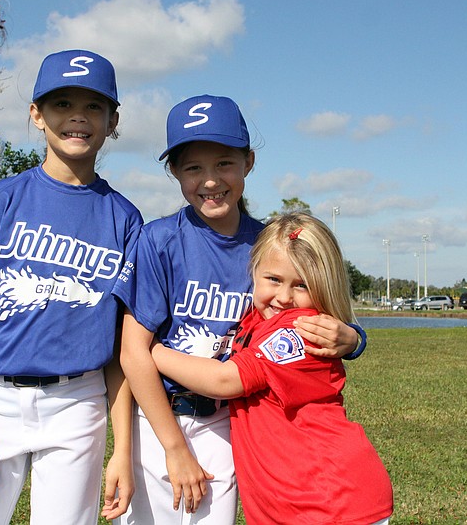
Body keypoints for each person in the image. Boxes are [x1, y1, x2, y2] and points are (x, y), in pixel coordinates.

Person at [112, 95, 366, 524]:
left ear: (248, 162)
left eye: (225, 163)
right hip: (157, 418)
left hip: (227, 420)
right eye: (193, 167)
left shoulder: (272, 245)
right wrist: (174, 447)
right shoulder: (158, 240)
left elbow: (317, 312)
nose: (210, 180)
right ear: (174, 171)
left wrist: (355, 338)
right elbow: (132, 351)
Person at [0, 49, 141, 524]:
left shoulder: (125, 219)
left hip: (78, 402)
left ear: (112, 120)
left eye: (93, 106)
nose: (77, 116)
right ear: (36, 114)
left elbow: (120, 349)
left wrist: (123, 451)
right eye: (62, 103)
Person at [150, 212, 394, 525]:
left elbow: (224, 380)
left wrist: (152, 351)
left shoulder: (299, 329)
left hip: (331, 500)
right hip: (296, 500)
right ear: (253, 271)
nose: (284, 297)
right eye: (274, 279)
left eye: (302, 285)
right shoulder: (256, 318)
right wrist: (355, 338)